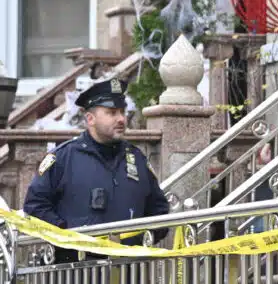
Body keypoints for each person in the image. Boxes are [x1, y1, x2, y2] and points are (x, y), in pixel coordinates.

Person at [24, 77, 171, 259]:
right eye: (111, 113)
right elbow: (35, 206)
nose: (121, 119)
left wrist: (138, 241)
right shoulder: (63, 158)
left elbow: (159, 211)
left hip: (128, 275)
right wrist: (68, 237)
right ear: (90, 118)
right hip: (74, 275)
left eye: (122, 112)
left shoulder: (136, 158)